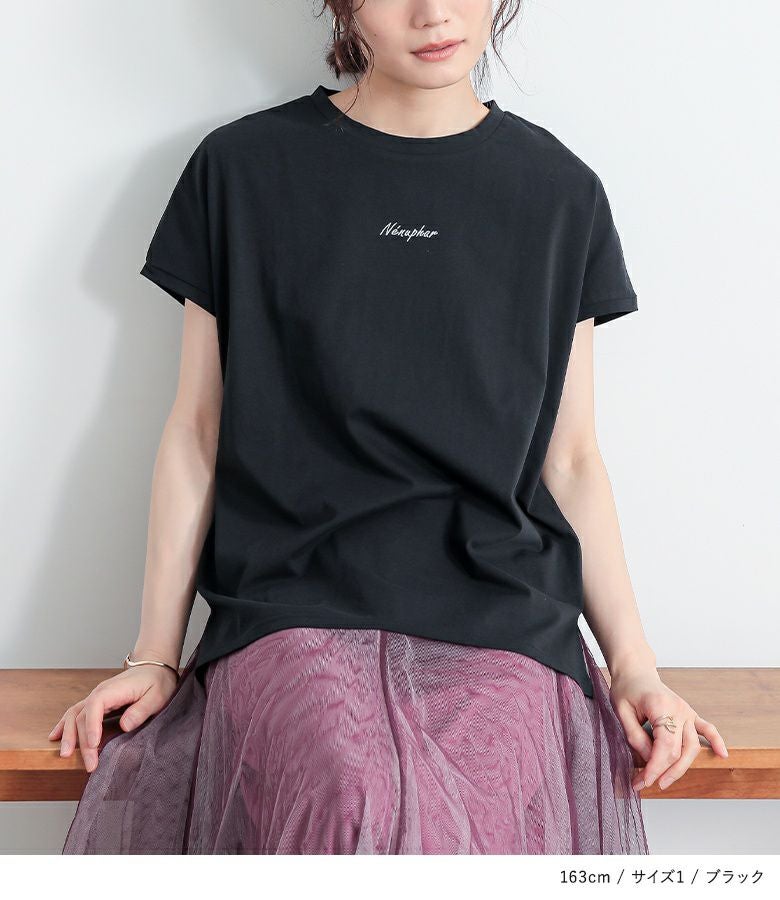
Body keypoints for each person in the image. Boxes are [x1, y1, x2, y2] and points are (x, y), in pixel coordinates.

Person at [54, 0, 728, 854]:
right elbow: (197, 430)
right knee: (349, 802)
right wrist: (154, 653)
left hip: (503, 615)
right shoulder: (244, 169)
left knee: (464, 816)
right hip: (289, 605)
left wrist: (635, 668)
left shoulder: (559, 192)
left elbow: (572, 460)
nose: (433, 12)